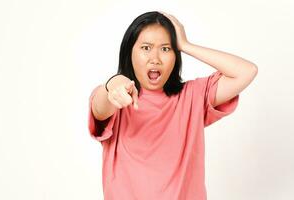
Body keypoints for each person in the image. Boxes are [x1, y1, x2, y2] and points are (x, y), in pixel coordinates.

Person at [87, 11, 258, 200]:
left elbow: (246, 71)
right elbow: (101, 106)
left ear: (176, 56)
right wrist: (114, 83)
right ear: (130, 52)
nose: (155, 58)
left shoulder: (193, 95)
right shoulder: (117, 98)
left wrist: (186, 45)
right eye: (146, 48)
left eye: (166, 49)